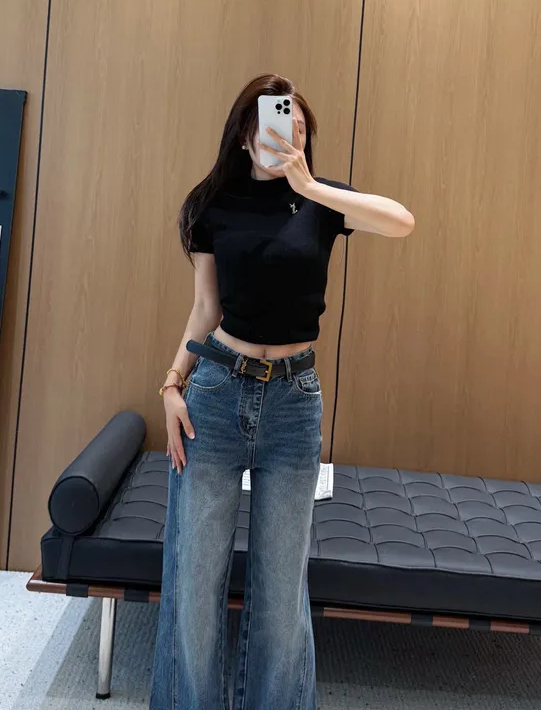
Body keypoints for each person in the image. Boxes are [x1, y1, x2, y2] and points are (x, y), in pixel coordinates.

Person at [150, 74, 415, 710]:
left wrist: (309, 186)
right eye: (272, 120)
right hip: (216, 394)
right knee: (194, 579)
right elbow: (206, 309)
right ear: (246, 134)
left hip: (294, 403)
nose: (285, 130)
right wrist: (172, 383)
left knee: (280, 587)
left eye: (295, 122)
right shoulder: (213, 206)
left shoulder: (322, 200)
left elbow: (403, 222)